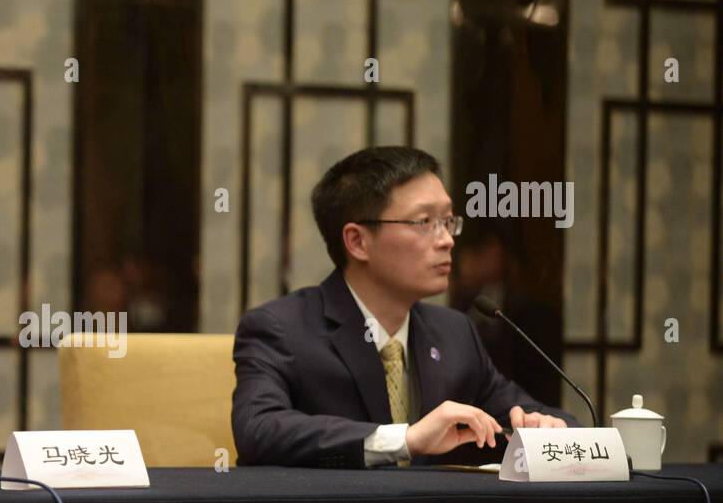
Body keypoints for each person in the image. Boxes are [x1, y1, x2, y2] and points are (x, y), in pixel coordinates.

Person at [231, 146, 575, 469]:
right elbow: (258, 429)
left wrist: (544, 426)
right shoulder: (281, 328)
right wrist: (405, 439)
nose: (446, 240)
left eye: (448, 221)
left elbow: (529, 412)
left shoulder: (454, 333)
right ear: (357, 241)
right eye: (424, 223)